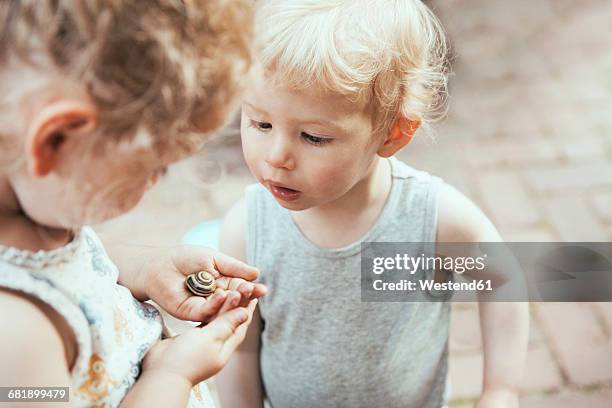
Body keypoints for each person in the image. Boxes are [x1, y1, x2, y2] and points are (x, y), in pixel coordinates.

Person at [216, 1, 529, 407]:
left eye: (313, 137)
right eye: (261, 123)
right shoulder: (247, 230)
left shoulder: (434, 220)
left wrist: (501, 391)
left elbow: (503, 282)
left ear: (394, 133)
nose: (276, 155)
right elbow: (240, 349)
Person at [0, 1, 266, 407]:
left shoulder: (39, 203)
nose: (156, 182)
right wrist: (172, 375)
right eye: (154, 166)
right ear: (55, 140)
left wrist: (145, 267)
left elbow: (71, 261)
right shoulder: (17, 341)